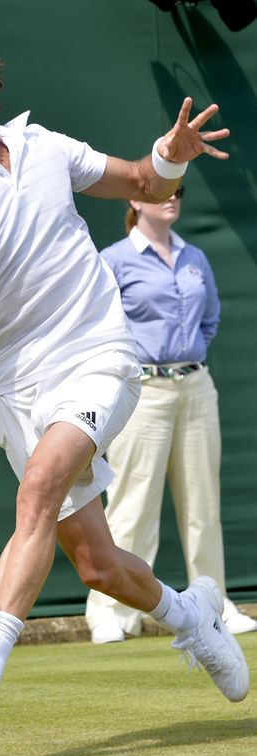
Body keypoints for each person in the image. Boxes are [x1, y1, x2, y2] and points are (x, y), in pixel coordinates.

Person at [0, 21, 250, 736]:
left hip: (100, 354)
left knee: (38, 486)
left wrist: (171, 153)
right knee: (100, 566)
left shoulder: (44, 148)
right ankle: (193, 615)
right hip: (21, 389)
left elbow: (139, 181)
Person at [85, 187, 257, 643]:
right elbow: (98, 324)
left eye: (178, 191)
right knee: (132, 505)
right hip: (142, 390)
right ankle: (112, 613)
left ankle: (215, 606)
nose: (172, 198)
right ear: (135, 202)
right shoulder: (115, 259)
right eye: (162, 190)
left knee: (204, 505)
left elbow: (211, 317)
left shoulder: (195, 256)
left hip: (197, 387)